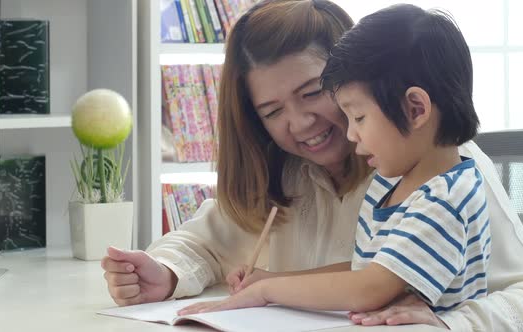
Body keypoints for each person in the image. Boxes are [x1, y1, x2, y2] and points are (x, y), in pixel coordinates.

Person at [101, 1, 523, 330]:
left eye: (312, 93)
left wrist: (448, 322)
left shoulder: (445, 175)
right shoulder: (279, 172)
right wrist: (164, 271)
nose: (300, 123)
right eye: (271, 112)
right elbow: (201, 244)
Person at [179, 2, 491, 315]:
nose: (352, 135)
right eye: (272, 112)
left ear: (415, 109)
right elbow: (364, 268)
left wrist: (267, 290)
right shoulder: (392, 185)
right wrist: (274, 278)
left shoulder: (444, 198)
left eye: (359, 117)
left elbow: (368, 287)